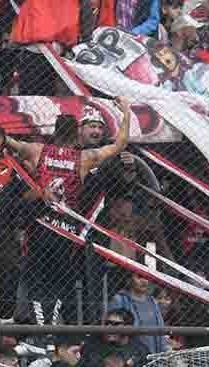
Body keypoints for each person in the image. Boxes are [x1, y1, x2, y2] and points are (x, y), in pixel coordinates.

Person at [8, 99, 132, 326]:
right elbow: (120, 144)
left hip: (41, 226)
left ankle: (39, 326)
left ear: (54, 134)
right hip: (66, 231)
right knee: (60, 282)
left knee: (37, 280)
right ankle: (52, 322)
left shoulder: (38, 151)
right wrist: (126, 111)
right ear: (76, 136)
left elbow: (6, 141)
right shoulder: (84, 158)